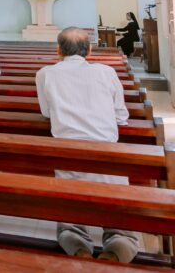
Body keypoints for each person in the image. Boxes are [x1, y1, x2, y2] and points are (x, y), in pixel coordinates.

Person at [36, 28, 138, 262]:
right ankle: (113, 256)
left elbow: (46, 112)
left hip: (69, 154)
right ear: (90, 50)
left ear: (58, 50)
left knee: (70, 226)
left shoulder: (45, 74)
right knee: (121, 226)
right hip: (107, 154)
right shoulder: (106, 72)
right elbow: (121, 115)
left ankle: (81, 254)